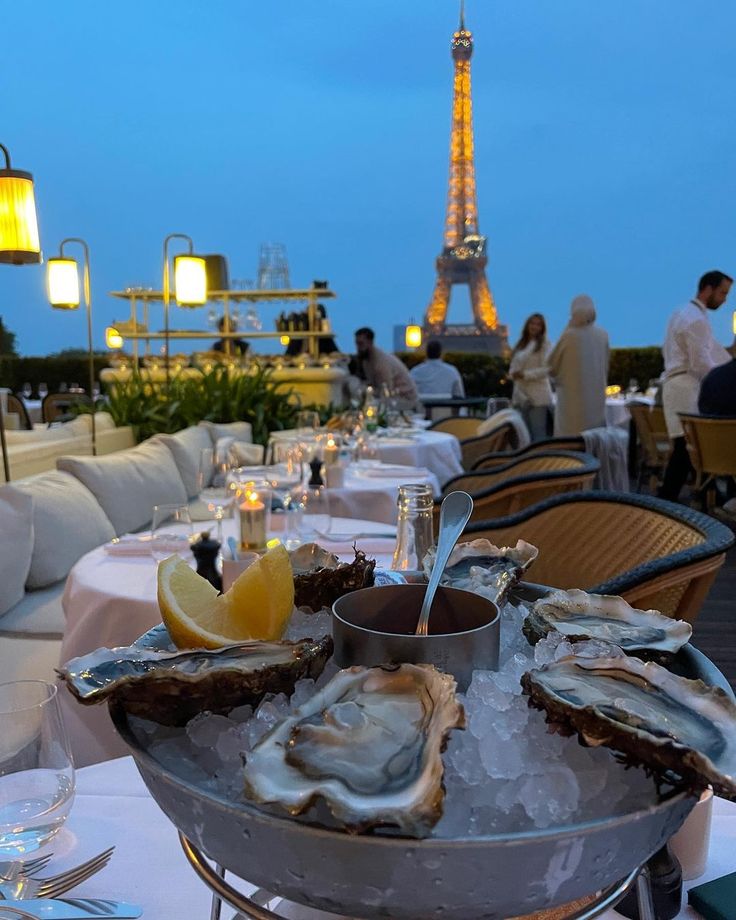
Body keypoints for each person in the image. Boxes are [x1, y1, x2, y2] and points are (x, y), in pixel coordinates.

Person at [658, 270, 732, 501]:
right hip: (686, 388)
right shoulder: (696, 320)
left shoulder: (681, 313)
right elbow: (701, 364)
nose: (724, 299)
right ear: (707, 289)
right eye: (722, 293)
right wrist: (725, 380)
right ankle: (668, 501)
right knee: (687, 451)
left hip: (675, 386)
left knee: (685, 452)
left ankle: (690, 499)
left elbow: (710, 353)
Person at [548, 295, 609, 437]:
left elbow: (551, 364)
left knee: (570, 437)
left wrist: (567, 327)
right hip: (596, 398)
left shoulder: (569, 335)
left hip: (571, 400)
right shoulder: (603, 335)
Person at [508, 313, 553, 441]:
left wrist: (524, 374)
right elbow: (514, 366)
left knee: (538, 434)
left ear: (542, 328)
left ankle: (542, 460)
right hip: (521, 394)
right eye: (532, 323)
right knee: (523, 435)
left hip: (537, 396)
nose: (534, 326)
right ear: (527, 324)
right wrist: (513, 374)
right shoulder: (521, 344)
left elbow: (548, 369)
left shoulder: (545, 344)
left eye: (538, 324)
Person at [354, 327, 418, 408]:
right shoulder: (366, 360)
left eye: (361, 344)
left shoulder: (381, 363)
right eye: (357, 344)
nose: (358, 348)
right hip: (393, 398)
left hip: (405, 400)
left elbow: (386, 393)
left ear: (370, 342)